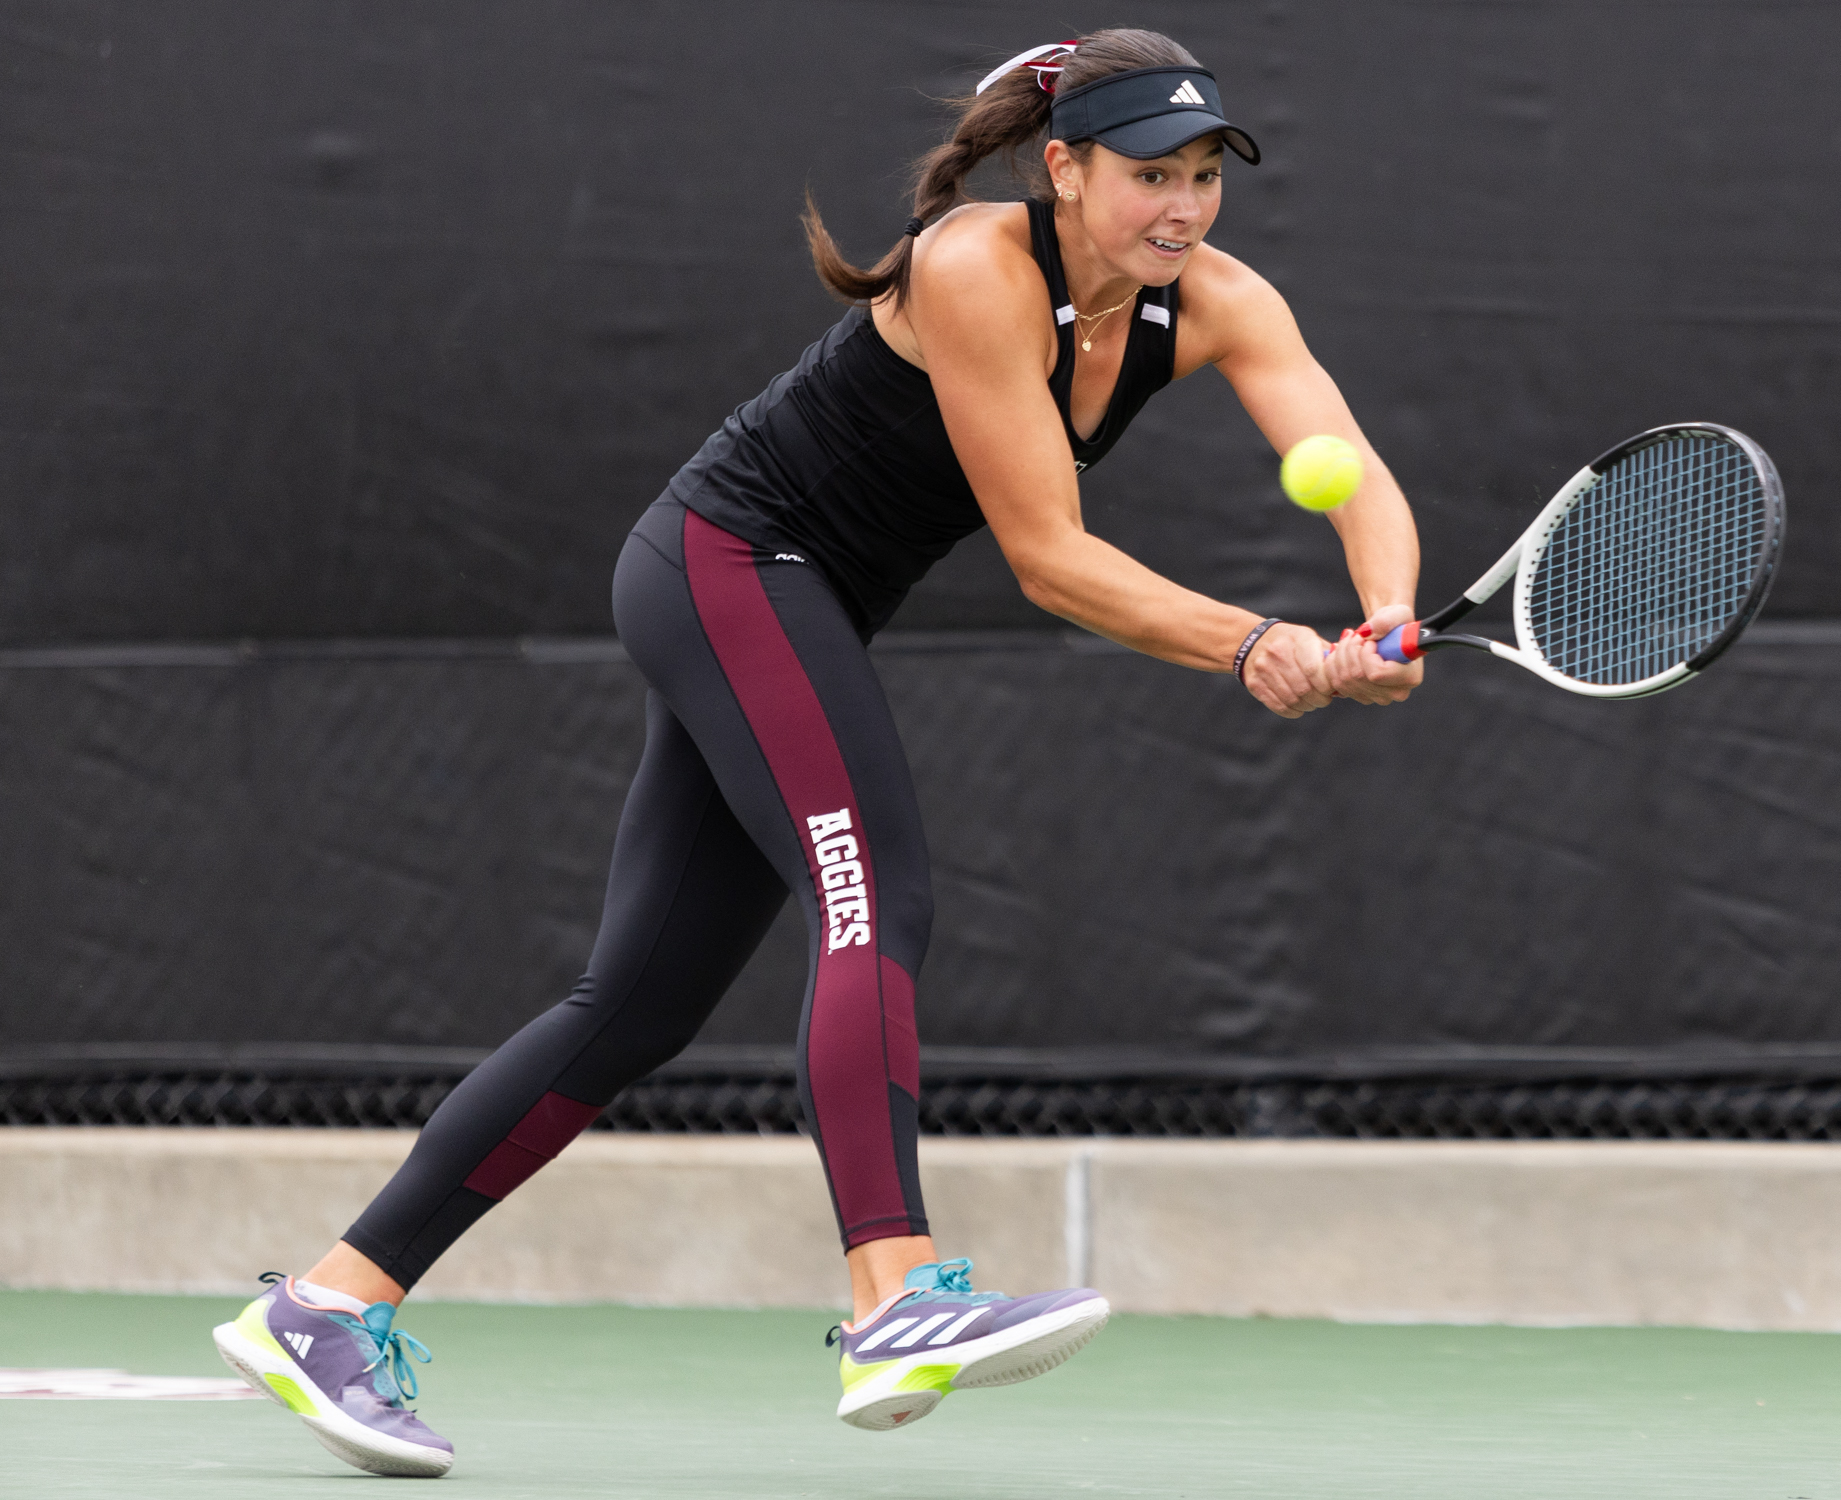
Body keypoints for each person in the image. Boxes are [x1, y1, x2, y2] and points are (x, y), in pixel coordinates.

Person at [211, 28, 1422, 1477]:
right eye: (1149, 174)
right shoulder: (973, 266)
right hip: (729, 565)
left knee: (636, 1004)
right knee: (877, 894)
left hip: (802, 603)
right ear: (1064, 167)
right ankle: (894, 1296)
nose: (1183, 206)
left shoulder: (1216, 302)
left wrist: (1389, 614)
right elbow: (1048, 560)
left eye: (1206, 176)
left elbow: (1347, 459)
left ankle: (325, 1306)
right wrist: (1246, 640)